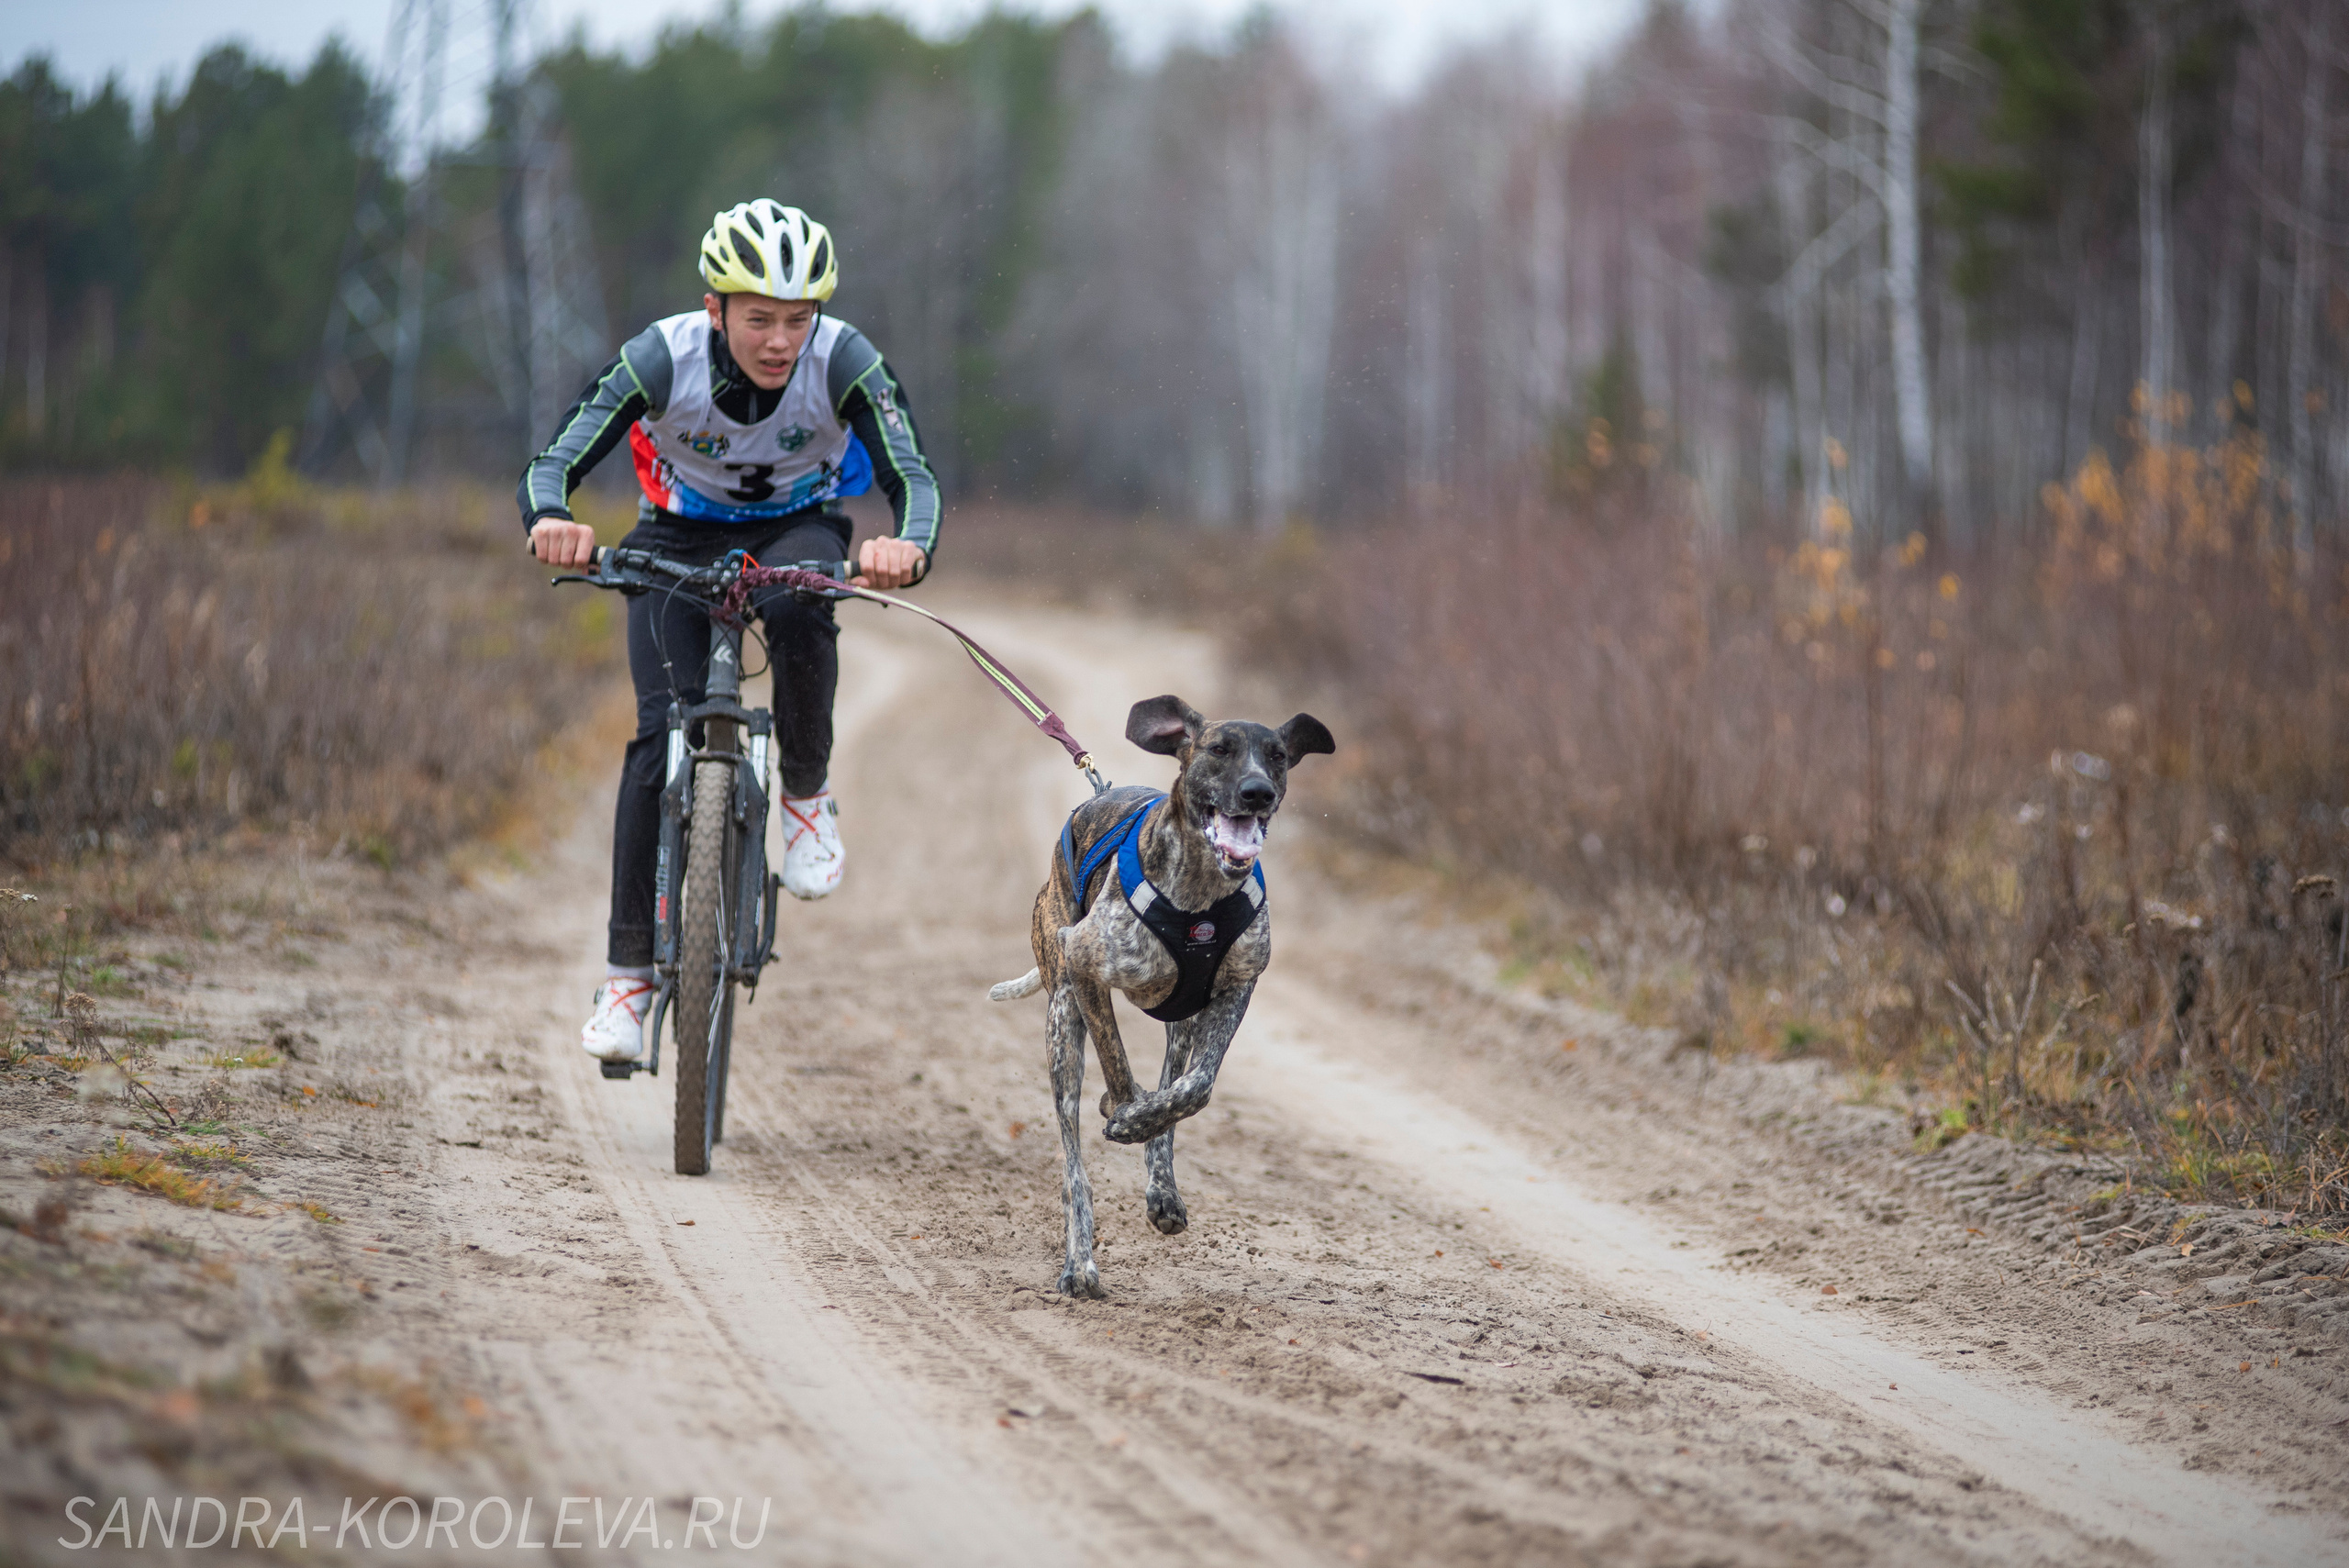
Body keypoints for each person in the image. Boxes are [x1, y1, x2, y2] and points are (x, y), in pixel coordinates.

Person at [518, 199, 940, 1062]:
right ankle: (628, 980)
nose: (781, 341)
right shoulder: (660, 358)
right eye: (759, 319)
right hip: (674, 534)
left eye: (797, 318)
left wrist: (908, 545)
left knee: (799, 603)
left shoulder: (845, 360)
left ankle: (806, 796)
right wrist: (552, 517)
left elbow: (914, 476)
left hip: (798, 527)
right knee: (656, 737)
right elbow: (554, 459)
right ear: (715, 308)